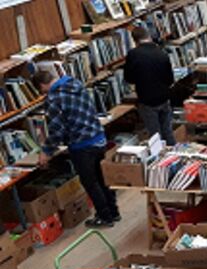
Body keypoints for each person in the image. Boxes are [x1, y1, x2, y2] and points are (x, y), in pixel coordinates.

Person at [31, 69, 119, 228]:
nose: (42, 93)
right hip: (98, 137)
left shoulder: (53, 98)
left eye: (40, 90)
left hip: (82, 145)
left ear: (43, 85)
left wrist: (46, 152)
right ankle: (114, 211)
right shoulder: (76, 84)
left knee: (90, 182)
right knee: (102, 178)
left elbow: (57, 129)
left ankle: (105, 217)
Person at [123, 26, 176, 144]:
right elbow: (170, 79)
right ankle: (173, 154)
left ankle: (159, 159)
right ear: (149, 37)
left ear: (135, 40)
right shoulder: (161, 53)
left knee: (155, 135)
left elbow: (129, 78)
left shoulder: (133, 54)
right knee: (167, 131)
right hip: (164, 97)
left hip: (147, 100)